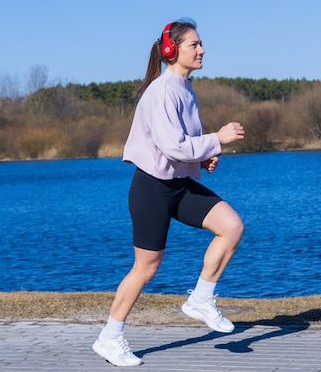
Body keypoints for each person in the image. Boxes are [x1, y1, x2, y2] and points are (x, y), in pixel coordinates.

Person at [92, 19, 245, 367]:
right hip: (152, 189)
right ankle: (110, 337)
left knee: (232, 227)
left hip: (178, 185)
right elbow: (172, 147)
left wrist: (204, 157)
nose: (202, 50)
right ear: (172, 51)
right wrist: (216, 139)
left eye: (201, 44)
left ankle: (201, 299)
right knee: (146, 268)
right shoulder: (161, 91)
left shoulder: (185, 88)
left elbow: (182, 147)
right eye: (194, 45)